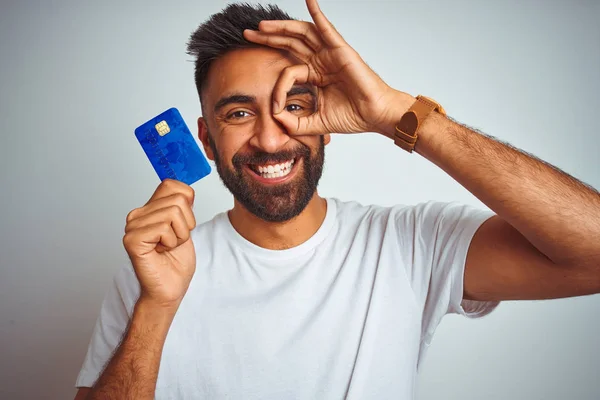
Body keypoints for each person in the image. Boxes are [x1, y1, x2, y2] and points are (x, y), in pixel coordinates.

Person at [73, 0, 600, 398]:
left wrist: (397, 114)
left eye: (294, 105)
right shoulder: (154, 274)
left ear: (327, 124)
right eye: (238, 113)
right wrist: (157, 307)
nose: (271, 138)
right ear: (206, 140)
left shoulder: (412, 244)